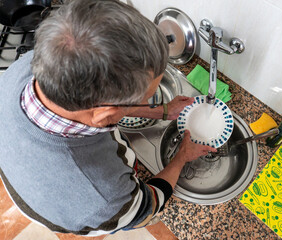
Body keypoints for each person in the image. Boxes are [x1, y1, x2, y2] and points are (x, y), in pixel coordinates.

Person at [0, 0, 216, 236]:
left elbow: (101, 107)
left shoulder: (26, 67)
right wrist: (182, 155)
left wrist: (163, 111)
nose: (149, 101)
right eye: (147, 97)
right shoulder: (105, 196)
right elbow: (147, 205)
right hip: (69, 213)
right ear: (105, 115)